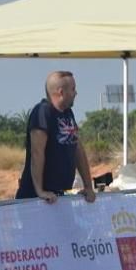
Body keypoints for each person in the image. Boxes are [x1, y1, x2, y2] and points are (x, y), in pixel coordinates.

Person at [16, 71, 96, 204]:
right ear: (61, 92)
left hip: (58, 195)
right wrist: (40, 191)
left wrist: (88, 186)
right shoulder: (42, 112)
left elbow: (77, 149)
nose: (76, 93)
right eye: (73, 89)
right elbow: (37, 152)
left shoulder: (68, 113)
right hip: (36, 198)